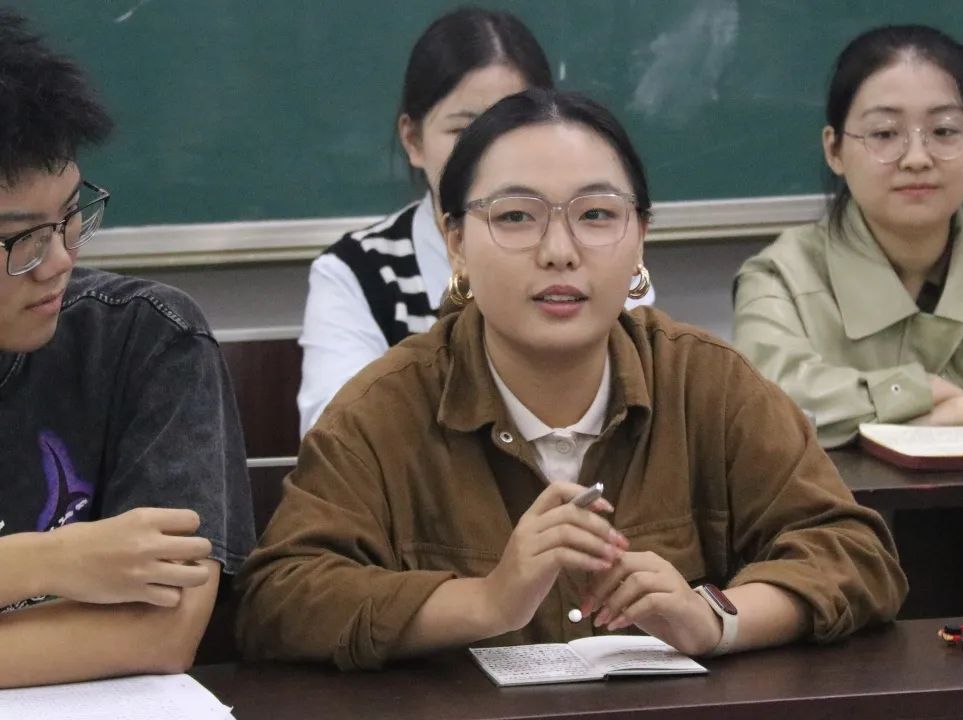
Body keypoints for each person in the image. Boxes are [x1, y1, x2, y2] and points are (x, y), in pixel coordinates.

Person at [236, 88, 906, 670]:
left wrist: (714, 618)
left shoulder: (707, 384)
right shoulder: (384, 408)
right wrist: (486, 601)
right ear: (456, 241)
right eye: (515, 217)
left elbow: (854, 553)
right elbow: (281, 601)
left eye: (596, 215)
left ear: (640, 235)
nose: (559, 251)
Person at [0, 10, 254, 687]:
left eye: (69, 216)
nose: (59, 260)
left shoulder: (146, 337)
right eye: (22, 239)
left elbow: (161, 630)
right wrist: (45, 563)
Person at [297, 6, 653, 436]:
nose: (486, 153)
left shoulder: (599, 251)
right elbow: (338, 438)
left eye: (510, 127)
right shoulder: (355, 272)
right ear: (413, 139)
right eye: (462, 130)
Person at [733, 25, 963, 449]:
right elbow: (761, 402)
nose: (917, 158)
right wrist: (914, 392)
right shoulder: (781, 278)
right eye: (884, 134)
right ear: (834, 150)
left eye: (945, 131)